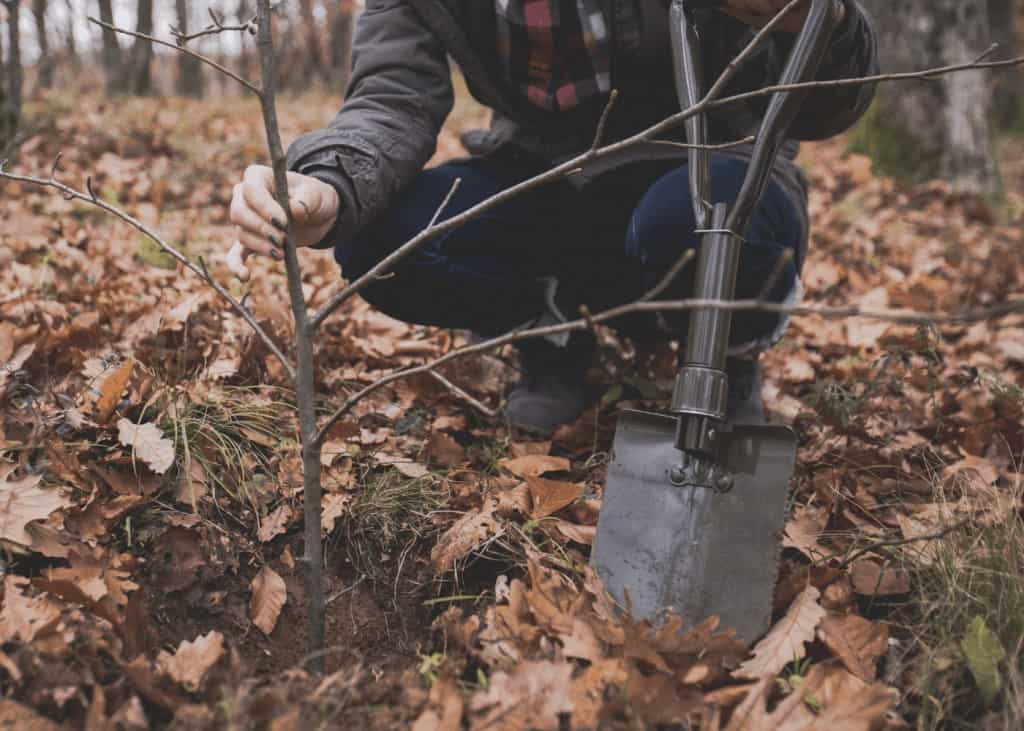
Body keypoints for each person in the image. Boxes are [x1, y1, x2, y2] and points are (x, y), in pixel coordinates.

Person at [229, 0, 878, 435]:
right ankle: (553, 329)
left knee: (695, 223)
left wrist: (812, 22)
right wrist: (326, 182)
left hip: (706, 166)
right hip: (541, 172)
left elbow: (831, 107)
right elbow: (391, 98)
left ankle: (728, 349)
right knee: (385, 244)